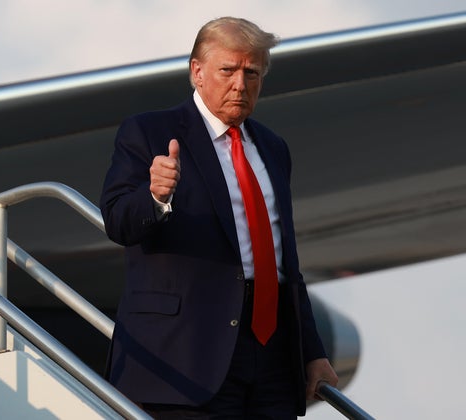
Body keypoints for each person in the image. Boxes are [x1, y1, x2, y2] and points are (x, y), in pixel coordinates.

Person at [100, 16, 338, 418]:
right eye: (228, 70)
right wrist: (155, 196)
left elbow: (284, 262)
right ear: (197, 71)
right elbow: (118, 222)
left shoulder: (272, 147)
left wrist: (312, 352)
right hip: (186, 357)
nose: (240, 85)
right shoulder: (148, 132)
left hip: (273, 355)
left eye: (252, 73)